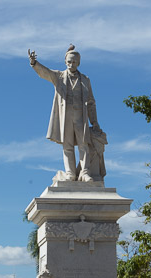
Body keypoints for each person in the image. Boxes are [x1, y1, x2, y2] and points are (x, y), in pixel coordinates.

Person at [28, 45, 105, 182]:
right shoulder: (59, 77)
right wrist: (34, 63)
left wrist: (94, 121)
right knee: (67, 145)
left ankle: (84, 173)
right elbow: (45, 72)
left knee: (84, 144)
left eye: (74, 62)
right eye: (69, 62)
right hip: (65, 115)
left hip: (81, 115)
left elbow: (91, 102)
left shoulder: (85, 80)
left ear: (78, 63)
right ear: (65, 62)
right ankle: (70, 173)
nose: (71, 64)